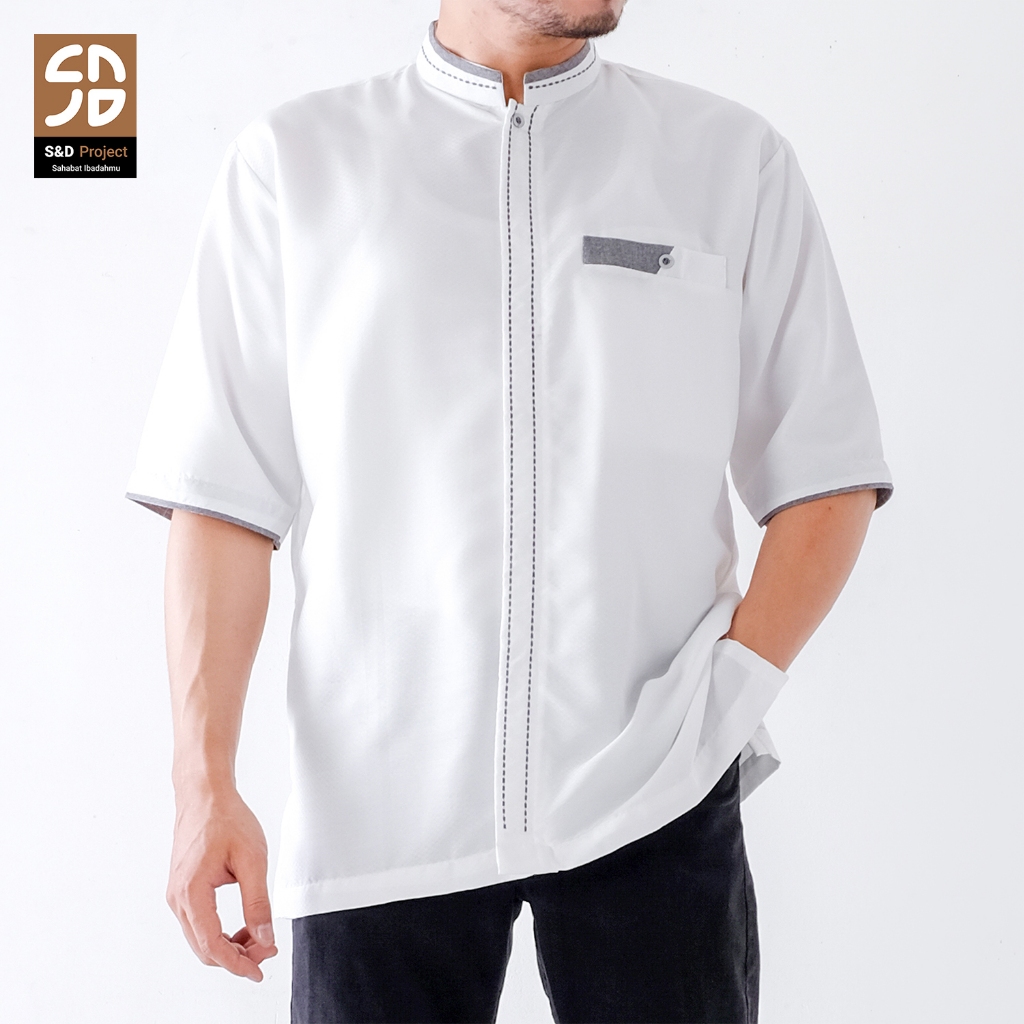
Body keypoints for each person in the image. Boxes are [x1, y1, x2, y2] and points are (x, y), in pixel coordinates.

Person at [126, 1, 893, 1020]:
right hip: (378, 807)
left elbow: (826, 470)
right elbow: (224, 499)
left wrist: (724, 701)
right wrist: (203, 784)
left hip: (656, 788)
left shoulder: (727, 158)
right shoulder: (296, 164)